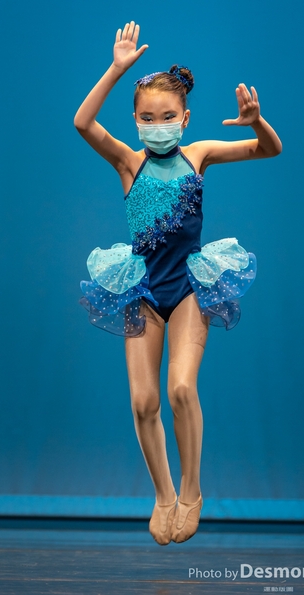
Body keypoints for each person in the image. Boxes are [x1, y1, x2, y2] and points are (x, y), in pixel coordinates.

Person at [74, 21, 282, 545]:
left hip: (188, 284)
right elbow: (83, 122)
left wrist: (257, 122)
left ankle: (192, 491)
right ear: (136, 121)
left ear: (185, 119)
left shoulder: (199, 155)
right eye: (148, 118)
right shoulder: (129, 162)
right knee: (143, 402)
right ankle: (164, 494)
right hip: (143, 290)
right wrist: (116, 70)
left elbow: (269, 150)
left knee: (181, 388)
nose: (158, 125)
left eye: (168, 117)